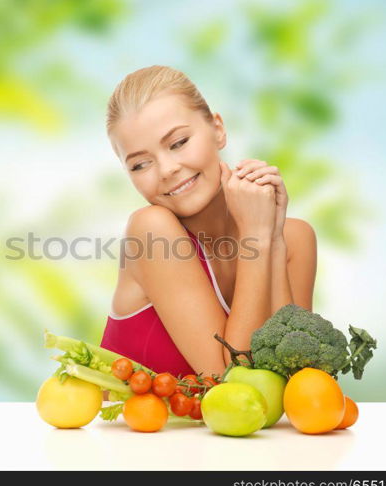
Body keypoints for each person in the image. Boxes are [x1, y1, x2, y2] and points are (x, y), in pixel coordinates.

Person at [99, 65, 317, 379]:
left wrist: (272, 240)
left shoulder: (295, 239)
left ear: (217, 129)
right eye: (140, 164)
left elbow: (296, 380)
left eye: (178, 143)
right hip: (121, 429)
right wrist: (256, 235)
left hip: (231, 430)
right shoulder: (151, 231)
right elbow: (230, 381)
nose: (166, 169)